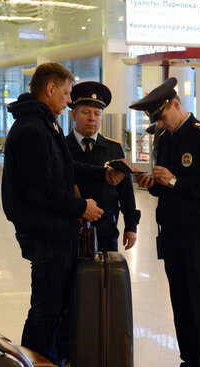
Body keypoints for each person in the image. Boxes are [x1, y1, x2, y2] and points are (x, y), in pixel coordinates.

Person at [1, 62, 125, 366]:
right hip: (46, 235)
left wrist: (102, 173)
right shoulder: (32, 128)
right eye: (67, 93)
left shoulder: (45, 123)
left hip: (56, 232)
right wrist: (82, 207)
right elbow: (38, 191)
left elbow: (64, 169)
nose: (70, 100)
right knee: (46, 310)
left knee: (55, 308)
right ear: (50, 89)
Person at [130, 77, 200, 367]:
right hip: (171, 232)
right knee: (181, 304)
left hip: (198, 234)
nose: (159, 123)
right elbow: (166, 183)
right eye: (155, 120)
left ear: (175, 104)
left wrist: (173, 183)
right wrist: (153, 182)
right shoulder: (166, 137)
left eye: (161, 116)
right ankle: (190, 366)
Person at [66, 81, 140, 251]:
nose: (92, 118)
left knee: (106, 276)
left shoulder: (113, 148)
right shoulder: (61, 147)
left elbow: (126, 191)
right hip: (70, 229)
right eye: (86, 112)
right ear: (73, 115)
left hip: (106, 229)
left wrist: (131, 226)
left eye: (97, 113)